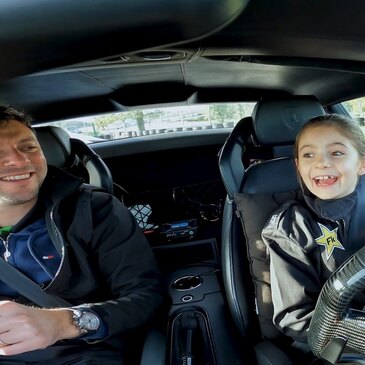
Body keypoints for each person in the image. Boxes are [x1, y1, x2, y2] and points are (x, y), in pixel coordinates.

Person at [0, 105, 166, 364]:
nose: (20, 161)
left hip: (82, 353)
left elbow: (147, 297)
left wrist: (62, 323)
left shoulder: (93, 210)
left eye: (29, 147)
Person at [262, 114, 365, 349]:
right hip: (336, 345)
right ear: (298, 165)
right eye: (309, 155)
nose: (322, 163)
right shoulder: (291, 228)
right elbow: (295, 317)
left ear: (362, 163)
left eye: (337, 153)